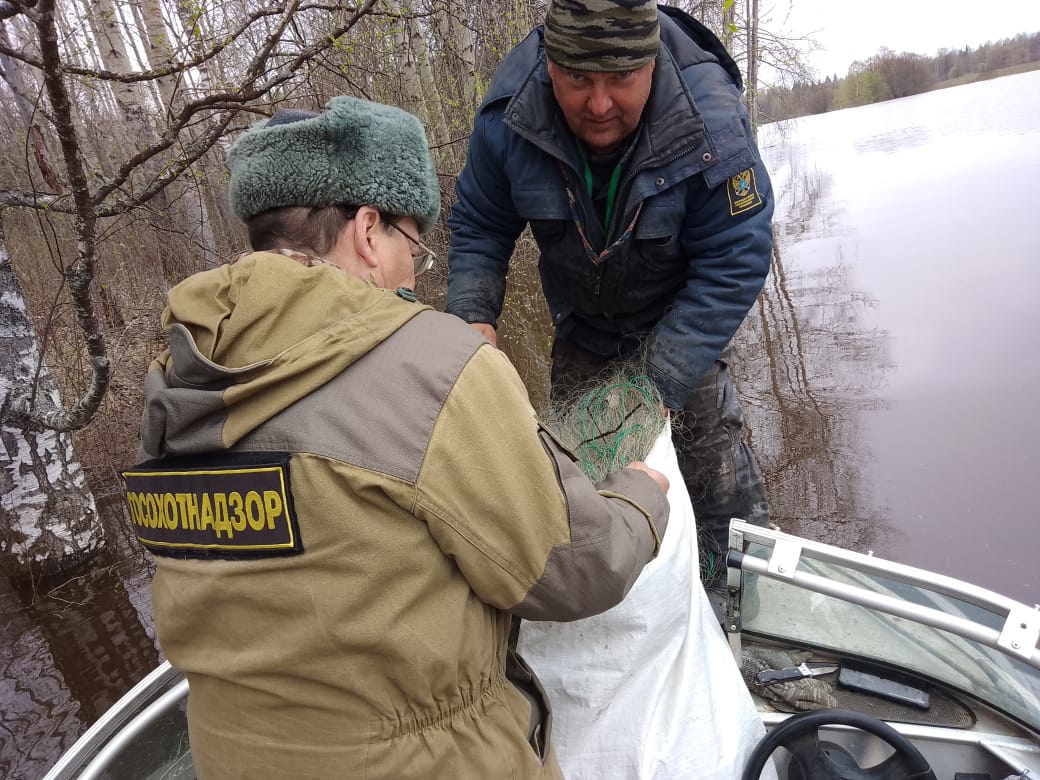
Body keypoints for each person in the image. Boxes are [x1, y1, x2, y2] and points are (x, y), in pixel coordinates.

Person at [122, 95, 669, 779]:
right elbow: (574, 571)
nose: (416, 273)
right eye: (415, 246)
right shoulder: (431, 366)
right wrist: (642, 502)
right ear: (368, 230)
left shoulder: (176, 371)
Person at [446, 0, 774, 601]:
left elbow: (737, 257)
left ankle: (740, 612)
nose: (598, 105)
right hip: (584, 331)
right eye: (577, 80)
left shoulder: (710, 120)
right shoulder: (509, 117)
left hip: (681, 330)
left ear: (650, 62)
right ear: (549, 65)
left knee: (720, 501)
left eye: (621, 80)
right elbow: (479, 226)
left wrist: (658, 381)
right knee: (576, 506)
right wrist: (473, 320)